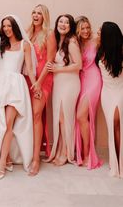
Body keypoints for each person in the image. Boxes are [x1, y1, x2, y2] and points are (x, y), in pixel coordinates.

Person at [0, 15, 40, 181]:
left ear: (15, 26)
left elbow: (29, 68)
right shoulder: (1, 44)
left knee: (8, 123)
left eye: (9, 26)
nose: (6, 29)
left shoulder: (25, 45)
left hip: (16, 86)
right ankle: (6, 158)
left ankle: (1, 163)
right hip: (0, 85)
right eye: (4, 26)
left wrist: (35, 85)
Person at [47, 14, 82, 166]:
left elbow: (78, 65)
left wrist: (57, 69)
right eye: (60, 21)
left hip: (69, 84)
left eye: (66, 22)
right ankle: (60, 150)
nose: (63, 24)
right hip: (59, 84)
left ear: (70, 26)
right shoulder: (59, 41)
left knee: (64, 118)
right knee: (60, 118)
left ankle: (66, 153)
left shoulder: (72, 42)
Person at [26, 4, 56, 175]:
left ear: (44, 16)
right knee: (29, 116)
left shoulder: (49, 34)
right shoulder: (28, 33)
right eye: (34, 12)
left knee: (37, 115)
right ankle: (27, 153)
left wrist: (38, 82)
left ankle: (36, 159)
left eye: (39, 13)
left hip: (43, 80)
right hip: (28, 78)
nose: (36, 15)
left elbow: (50, 61)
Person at [96, 21, 123, 178]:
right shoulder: (101, 51)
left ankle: (119, 164)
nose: (97, 34)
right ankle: (115, 163)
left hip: (119, 92)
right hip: (106, 94)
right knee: (112, 128)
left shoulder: (120, 53)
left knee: (118, 128)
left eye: (100, 32)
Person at [75, 16, 102, 169]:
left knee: (81, 116)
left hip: (94, 79)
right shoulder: (76, 44)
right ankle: (82, 152)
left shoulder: (97, 41)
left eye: (87, 27)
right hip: (81, 81)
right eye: (82, 28)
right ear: (78, 30)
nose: (85, 31)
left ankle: (87, 154)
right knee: (82, 118)